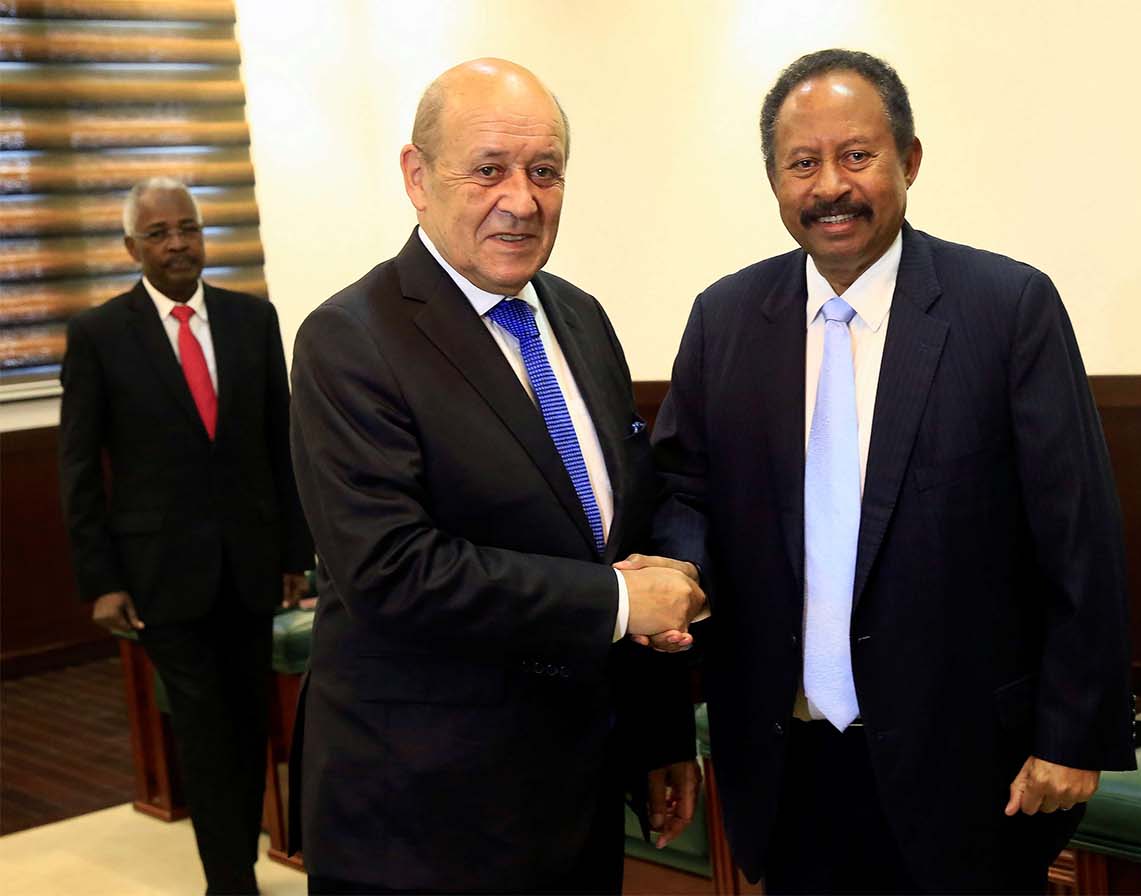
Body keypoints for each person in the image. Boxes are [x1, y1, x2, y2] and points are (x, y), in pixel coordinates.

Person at [646, 49, 1137, 894]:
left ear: (909, 160)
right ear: (774, 180)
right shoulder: (725, 318)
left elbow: (1078, 533)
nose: (829, 184)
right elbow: (686, 489)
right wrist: (678, 569)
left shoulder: (1006, 309)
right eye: (803, 163)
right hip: (787, 762)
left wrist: (1074, 733)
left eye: (857, 155)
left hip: (973, 770)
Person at [287, 58, 704, 895]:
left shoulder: (580, 317)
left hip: (576, 795)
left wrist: (660, 736)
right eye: (488, 170)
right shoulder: (349, 340)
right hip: (420, 818)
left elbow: (626, 529)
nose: (521, 199)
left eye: (544, 171)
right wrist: (621, 607)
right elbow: (393, 573)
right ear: (416, 176)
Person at [59, 178, 314, 895]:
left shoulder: (251, 320)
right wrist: (100, 578)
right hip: (160, 574)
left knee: (245, 724)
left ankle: (235, 870)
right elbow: (79, 467)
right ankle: (230, 881)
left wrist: (296, 554)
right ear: (132, 247)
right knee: (204, 730)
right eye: (160, 233)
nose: (177, 244)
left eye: (188, 229)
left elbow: (280, 442)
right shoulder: (99, 335)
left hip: (251, 565)